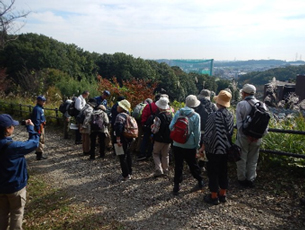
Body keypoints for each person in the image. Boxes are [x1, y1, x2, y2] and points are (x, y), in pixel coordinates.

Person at [0, 114, 39, 230]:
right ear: (7, 129)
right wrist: (31, 128)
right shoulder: (14, 147)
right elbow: (34, 143)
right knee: (16, 212)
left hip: (1, 187)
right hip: (15, 187)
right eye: (12, 126)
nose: (14, 127)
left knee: (1, 213)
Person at [199, 90, 234, 205]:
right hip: (225, 149)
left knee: (213, 172)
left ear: (218, 102)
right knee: (223, 171)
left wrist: (203, 147)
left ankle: (213, 196)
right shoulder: (230, 115)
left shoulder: (213, 115)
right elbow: (230, 132)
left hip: (213, 149)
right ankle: (223, 194)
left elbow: (208, 134)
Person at [169, 95, 204, 195]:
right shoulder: (196, 115)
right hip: (190, 145)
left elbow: (171, 126)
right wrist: (197, 145)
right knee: (192, 164)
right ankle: (200, 181)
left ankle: (176, 186)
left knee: (178, 165)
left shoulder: (179, 112)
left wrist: (177, 136)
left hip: (177, 144)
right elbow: (197, 133)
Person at [235, 84, 267, 188]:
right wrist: (257, 136)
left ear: (244, 93)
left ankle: (241, 179)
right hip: (257, 137)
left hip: (244, 137)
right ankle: (251, 179)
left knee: (241, 158)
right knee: (253, 159)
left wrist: (246, 134)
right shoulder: (262, 105)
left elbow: (239, 123)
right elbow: (265, 124)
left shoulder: (241, 104)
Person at [151, 97, 173, 177]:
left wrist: (152, 128)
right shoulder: (170, 115)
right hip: (168, 138)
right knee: (165, 154)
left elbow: (155, 130)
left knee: (155, 153)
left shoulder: (159, 117)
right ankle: (166, 169)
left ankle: (158, 169)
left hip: (159, 139)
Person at [195, 89, 217, 169]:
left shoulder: (196, 104)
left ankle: (194, 164)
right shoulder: (213, 106)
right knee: (205, 148)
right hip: (208, 132)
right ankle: (202, 164)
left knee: (196, 147)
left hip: (197, 130)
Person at [137, 94, 161, 161]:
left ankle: (142, 153)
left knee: (145, 139)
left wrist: (143, 124)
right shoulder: (161, 107)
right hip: (156, 125)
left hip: (147, 126)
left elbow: (143, 116)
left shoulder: (149, 106)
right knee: (153, 140)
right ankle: (150, 154)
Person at [114, 99, 133, 181]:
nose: (117, 107)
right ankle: (130, 172)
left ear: (122, 108)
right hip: (129, 138)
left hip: (122, 139)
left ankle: (125, 174)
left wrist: (118, 139)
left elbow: (119, 129)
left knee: (122, 156)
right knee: (128, 155)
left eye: (119, 106)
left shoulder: (119, 116)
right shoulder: (128, 115)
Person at [31, 95, 47, 160]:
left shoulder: (41, 108)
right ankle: (39, 154)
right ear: (38, 101)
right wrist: (38, 129)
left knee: (42, 139)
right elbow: (37, 119)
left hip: (42, 125)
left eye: (44, 101)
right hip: (39, 126)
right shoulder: (37, 109)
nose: (43, 102)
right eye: (42, 101)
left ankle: (40, 153)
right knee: (40, 140)